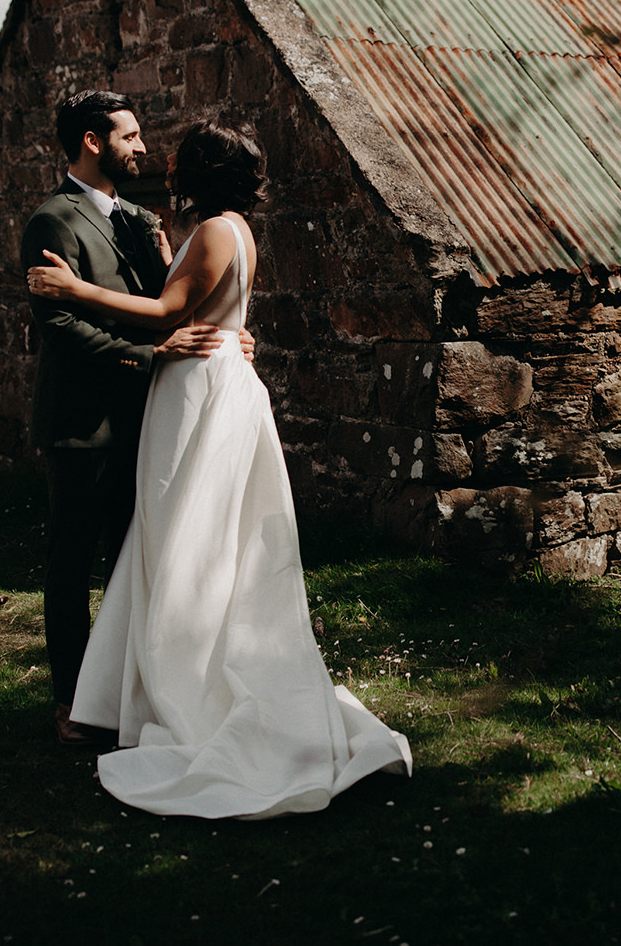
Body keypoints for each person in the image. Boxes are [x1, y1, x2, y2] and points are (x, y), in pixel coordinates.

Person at [25, 121, 411, 818]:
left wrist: (72, 290)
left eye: (176, 157)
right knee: (177, 540)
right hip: (202, 384)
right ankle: (127, 692)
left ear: (198, 170)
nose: (161, 161)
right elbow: (202, 307)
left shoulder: (214, 232)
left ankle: (179, 692)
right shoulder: (216, 228)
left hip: (199, 393)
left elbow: (171, 310)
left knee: (186, 544)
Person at [21, 91, 253, 747]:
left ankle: (130, 696)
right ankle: (72, 702)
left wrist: (227, 333)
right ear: (93, 141)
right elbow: (60, 327)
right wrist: (152, 357)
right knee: (71, 566)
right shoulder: (51, 222)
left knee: (136, 565)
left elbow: (174, 303)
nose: (142, 147)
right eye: (129, 135)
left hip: (150, 424)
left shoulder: (137, 220)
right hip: (83, 422)